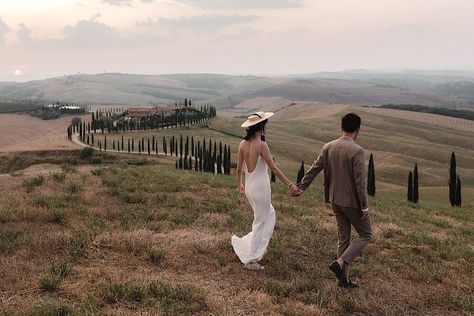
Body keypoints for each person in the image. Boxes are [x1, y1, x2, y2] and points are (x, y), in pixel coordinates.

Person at [293, 113, 373, 288]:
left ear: (341, 127)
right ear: (357, 130)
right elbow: (360, 182)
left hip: (335, 199)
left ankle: (342, 280)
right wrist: (364, 206)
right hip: (352, 202)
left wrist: (302, 187)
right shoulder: (357, 151)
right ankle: (341, 262)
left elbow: (315, 168)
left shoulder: (328, 146)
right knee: (366, 234)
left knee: (343, 238)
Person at [231, 111, 299, 270]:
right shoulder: (261, 145)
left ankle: (254, 247)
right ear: (261, 126)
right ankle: (251, 259)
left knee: (268, 214)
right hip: (261, 189)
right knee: (261, 222)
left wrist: (239, 184)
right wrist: (290, 185)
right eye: (265, 124)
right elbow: (273, 168)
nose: (266, 126)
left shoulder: (242, 144)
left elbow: (239, 168)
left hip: (249, 188)